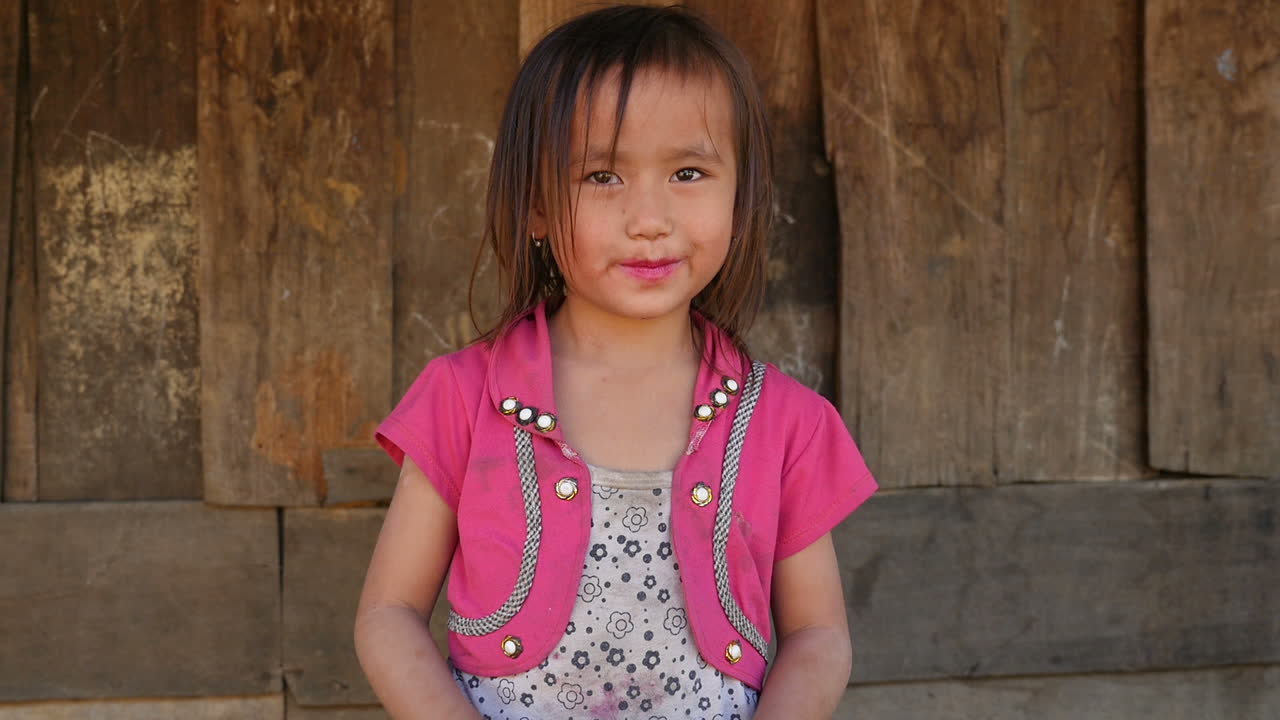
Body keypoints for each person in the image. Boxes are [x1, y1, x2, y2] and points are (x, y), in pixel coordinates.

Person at [354, 6, 877, 719]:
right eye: (603, 176)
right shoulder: (463, 397)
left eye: (689, 171)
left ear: (741, 195)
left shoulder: (787, 424)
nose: (650, 218)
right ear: (535, 204)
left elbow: (818, 632)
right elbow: (388, 615)